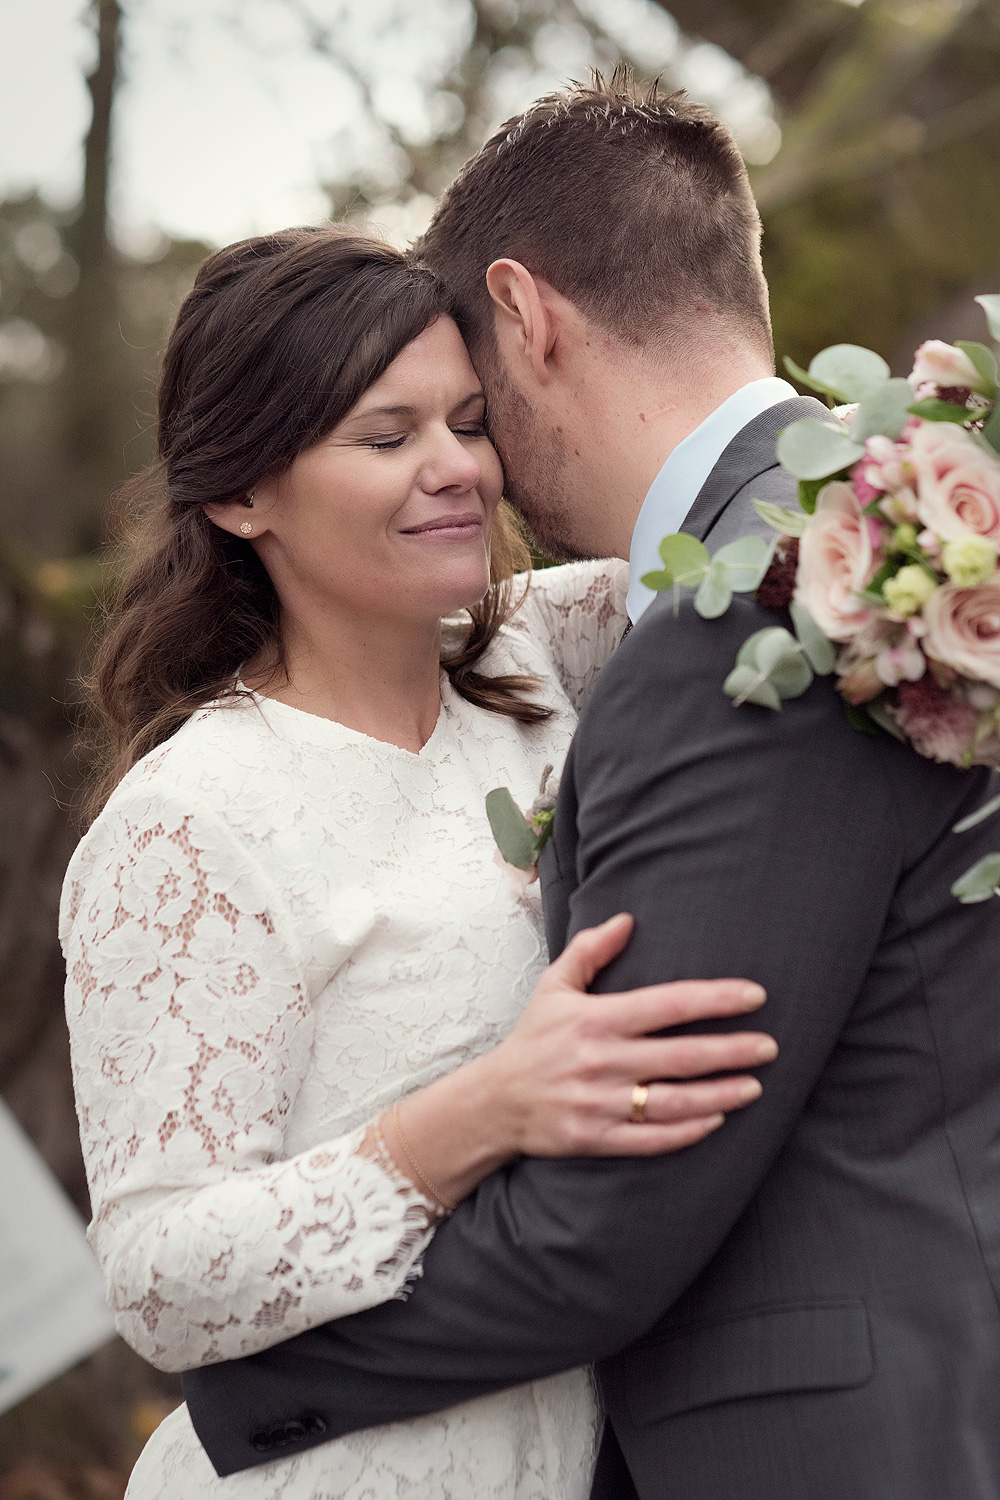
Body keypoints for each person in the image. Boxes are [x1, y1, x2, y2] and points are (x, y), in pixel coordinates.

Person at [182, 74, 1000, 1500]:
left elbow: (619, 1210)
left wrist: (257, 1397)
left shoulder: (757, 615)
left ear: (529, 316)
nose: (472, 472)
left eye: (470, 407)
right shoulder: (908, 537)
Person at [61, 226, 776, 1500]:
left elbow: (750, 531)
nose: (456, 472)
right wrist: (479, 1114)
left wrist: (914, 453)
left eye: (466, 421)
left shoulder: (545, 655)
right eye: (386, 440)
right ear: (239, 497)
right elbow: (160, 1280)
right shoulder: (192, 819)